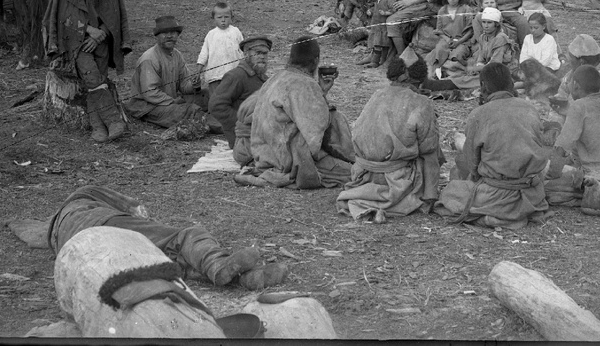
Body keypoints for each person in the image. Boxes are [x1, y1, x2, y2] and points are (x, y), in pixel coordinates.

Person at [48, 185, 287, 290]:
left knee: (167, 262)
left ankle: (245, 279)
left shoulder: (55, 234)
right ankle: (218, 263)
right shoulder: (87, 196)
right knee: (182, 238)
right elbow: (137, 209)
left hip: (81, 256)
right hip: (100, 226)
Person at [435, 63, 550, 230]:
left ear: (483, 86)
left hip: (496, 194)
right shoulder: (530, 108)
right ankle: (518, 213)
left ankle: (493, 218)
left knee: (450, 192)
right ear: (511, 84)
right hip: (531, 194)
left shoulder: (479, 114)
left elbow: (471, 166)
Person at [336, 56, 443, 222]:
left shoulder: (377, 95)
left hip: (363, 175)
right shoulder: (421, 102)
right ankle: (422, 198)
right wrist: (431, 194)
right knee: (433, 150)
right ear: (419, 81)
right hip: (396, 180)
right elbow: (428, 150)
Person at [45, 0, 130, 143]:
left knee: (97, 82)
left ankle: (98, 128)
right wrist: (88, 30)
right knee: (93, 78)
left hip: (102, 42)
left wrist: (101, 32)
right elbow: (59, 17)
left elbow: (116, 15)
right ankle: (114, 120)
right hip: (76, 43)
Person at [239, 38, 355, 189]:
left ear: (291, 58)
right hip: (286, 160)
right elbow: (314, 139)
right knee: (356, 173)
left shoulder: (275, 78)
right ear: (316, 60)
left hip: (264, 155)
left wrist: (321, 91)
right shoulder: (305, 84)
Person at [544, 66, 600, 211]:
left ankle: (593, 197)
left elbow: (561, 148)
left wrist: (551, 175)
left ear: (576, 85)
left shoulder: (578, 107)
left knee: (542, 187)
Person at [123, 16, 220, 138]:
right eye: (164, 33)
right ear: (157, 36)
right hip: (148, 107)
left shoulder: (177, 55)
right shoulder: (149, 58)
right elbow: (150, 93)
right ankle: (226, 126)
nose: (169, 36)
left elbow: (184, 85)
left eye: (173, 32)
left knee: (207, 94)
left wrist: (194, 85)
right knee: (189, 111)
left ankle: (224, 116)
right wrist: (173, 101)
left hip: (169, 100)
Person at [206, 35, 273, 147]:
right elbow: (216, 106)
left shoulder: (263, 78)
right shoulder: (236, 76)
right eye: (257, 53)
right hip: (243, 140)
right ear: (246, 54)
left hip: (259, 136)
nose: (262, 57)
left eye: (265, 53)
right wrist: (242, 124)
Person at [435, 7, 514, 95]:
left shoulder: (500, 38)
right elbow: (481, 57)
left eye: (489, 23)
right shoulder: (483, 37)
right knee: (465, 73)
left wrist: (476, 68)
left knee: (474, 80)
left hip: (501, 72)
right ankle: (444, 82)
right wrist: (477, 66)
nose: (486, 25)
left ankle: (442, 84)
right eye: (484, 22)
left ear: (496, 25)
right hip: (487, 69)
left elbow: (495, 64)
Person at [193, 1, 244, 99]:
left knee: (233, 98)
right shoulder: (211, 35)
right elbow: (204, 54)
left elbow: (243, 51)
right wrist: (198, 72)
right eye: (219, 17)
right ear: (213, 19)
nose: (223, 20)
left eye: (226, 17)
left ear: (232, 18)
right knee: (216, 100)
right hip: (215, 76)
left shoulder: (236, 32)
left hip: (234, 75)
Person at [425, 0, 475, 77]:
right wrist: (447, 39)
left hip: (463, 40)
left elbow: (470, 30)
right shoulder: (442, 10)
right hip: (446, 39)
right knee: (439, 50)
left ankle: (453, 72)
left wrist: (459, 41)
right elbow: (439, 30)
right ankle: (438, 71)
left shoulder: (466, 9)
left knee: (458, 54)